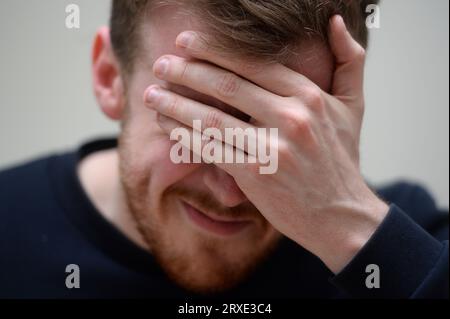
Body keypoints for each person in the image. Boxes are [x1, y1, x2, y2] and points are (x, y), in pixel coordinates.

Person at [0, 0, 448, 299]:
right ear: (109, 78)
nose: (232, 192)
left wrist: (350, 225)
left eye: (278, 133)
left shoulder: (412, 250)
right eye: (191, 121)